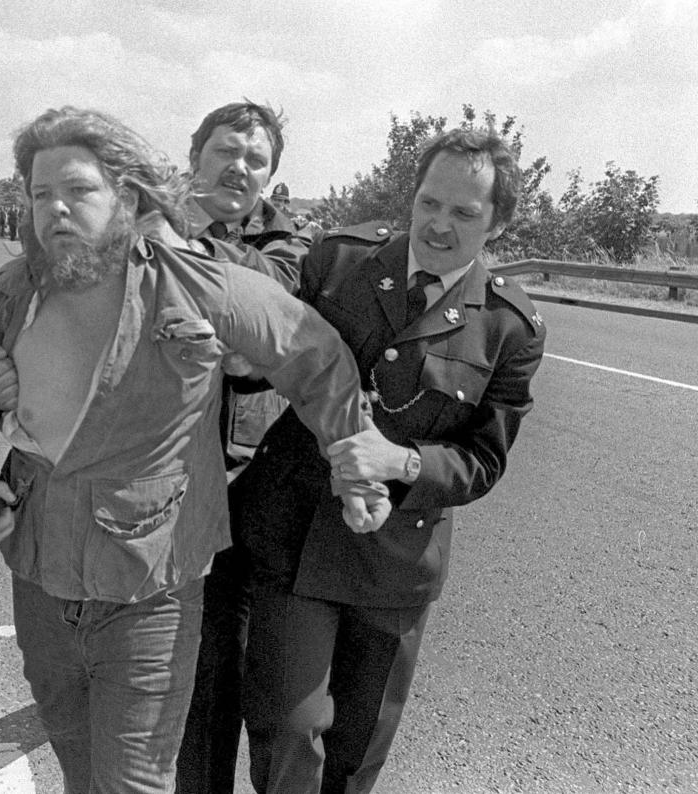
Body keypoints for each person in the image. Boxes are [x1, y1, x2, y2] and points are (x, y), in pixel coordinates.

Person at [0, 106, 390, 794]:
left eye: (78, 190)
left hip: (149, 587)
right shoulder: (13, 291)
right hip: (41, 577)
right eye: (41, 194)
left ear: (127, 197)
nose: (56, 210)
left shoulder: (198, 286)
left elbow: (314, 357)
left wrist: (354, 462)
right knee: (78, 761)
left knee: (133, 782)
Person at [235, 128, 547, 793]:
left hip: (395, 564)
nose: (438, 224)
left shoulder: (509, 328)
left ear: (497, 222)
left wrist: (401, 462)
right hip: (296, 541)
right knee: (290, 729)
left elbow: (482, 462)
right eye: (429, 203)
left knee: (355, 755)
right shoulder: (341, 262)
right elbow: (272, 352)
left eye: (464, 213)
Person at [175, 99, 310, 794]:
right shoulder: (142, 224)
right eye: (227, 151)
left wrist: (179, 246)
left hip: (249, 493)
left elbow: (265, 297)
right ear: (194, 156)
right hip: (165, 492)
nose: (240, 167)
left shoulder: (285, 244)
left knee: (264, 689)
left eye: (257, 160)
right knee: (196, 689)